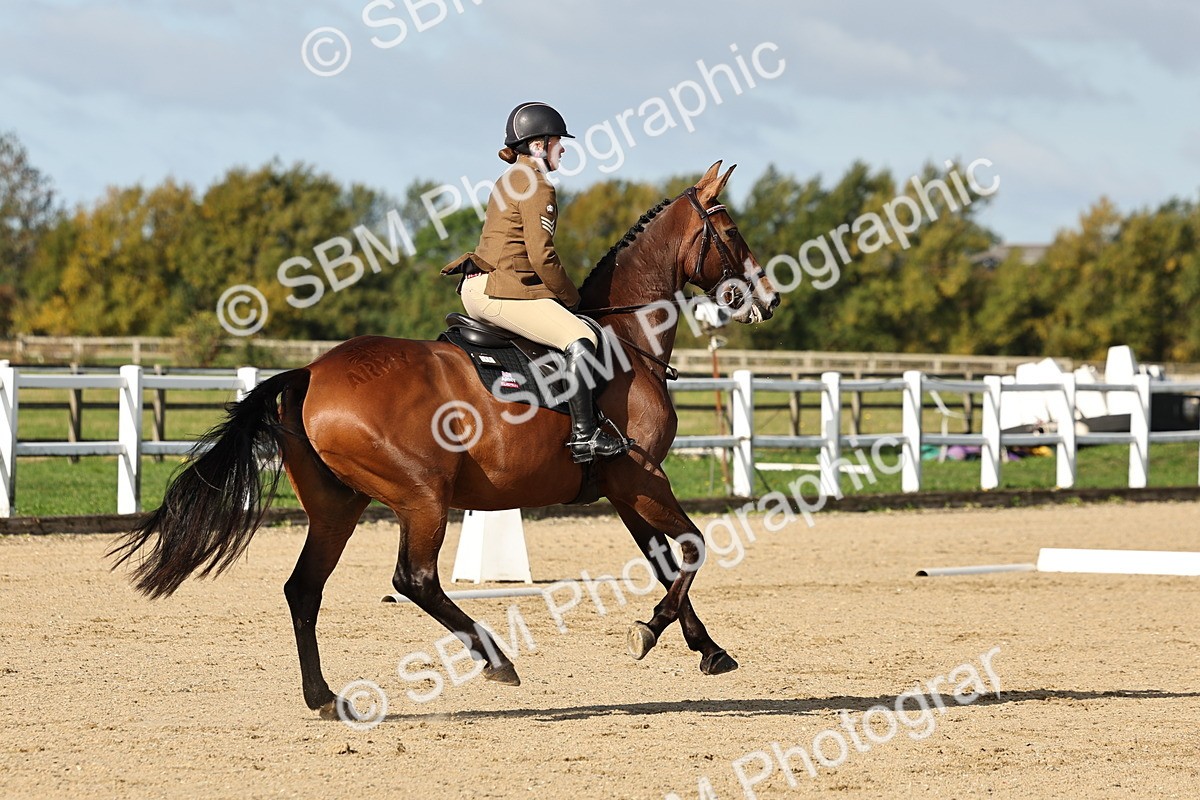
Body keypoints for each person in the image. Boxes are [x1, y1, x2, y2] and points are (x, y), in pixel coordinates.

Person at [442, 102, 629, 464]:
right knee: (581, 337)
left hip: (481, 285)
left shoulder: (509, 177)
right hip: (500, 290)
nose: (563, 149)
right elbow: (542, 257)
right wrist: (573, 299)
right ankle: (585, 436)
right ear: (539, 145)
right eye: (558, 142)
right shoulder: (537, 184)